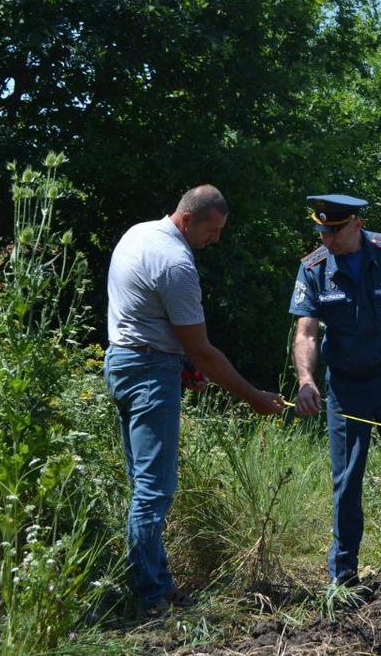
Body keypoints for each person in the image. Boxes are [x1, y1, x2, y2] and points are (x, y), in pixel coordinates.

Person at [104, 185, 284, 614]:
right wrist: (254, 398)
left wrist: (180, 366)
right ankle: (151, 597)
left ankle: (159, 583)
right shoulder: (177, 263)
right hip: (149, 374)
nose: (215, 239)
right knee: (154, 491)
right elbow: (203, 350)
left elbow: (143, 317)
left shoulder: (137, 234)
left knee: (143, 486)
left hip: (123, 363)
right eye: (213, 230)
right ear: (188, 220)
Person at [287, 194, 381, 598]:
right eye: (321, 230)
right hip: (347, 390)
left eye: (333, 230)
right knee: (346, 480)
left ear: (356, 223)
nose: (327, 238)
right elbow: (306, 332)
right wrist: (306, 379)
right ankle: (343, 575)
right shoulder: (314, 268)